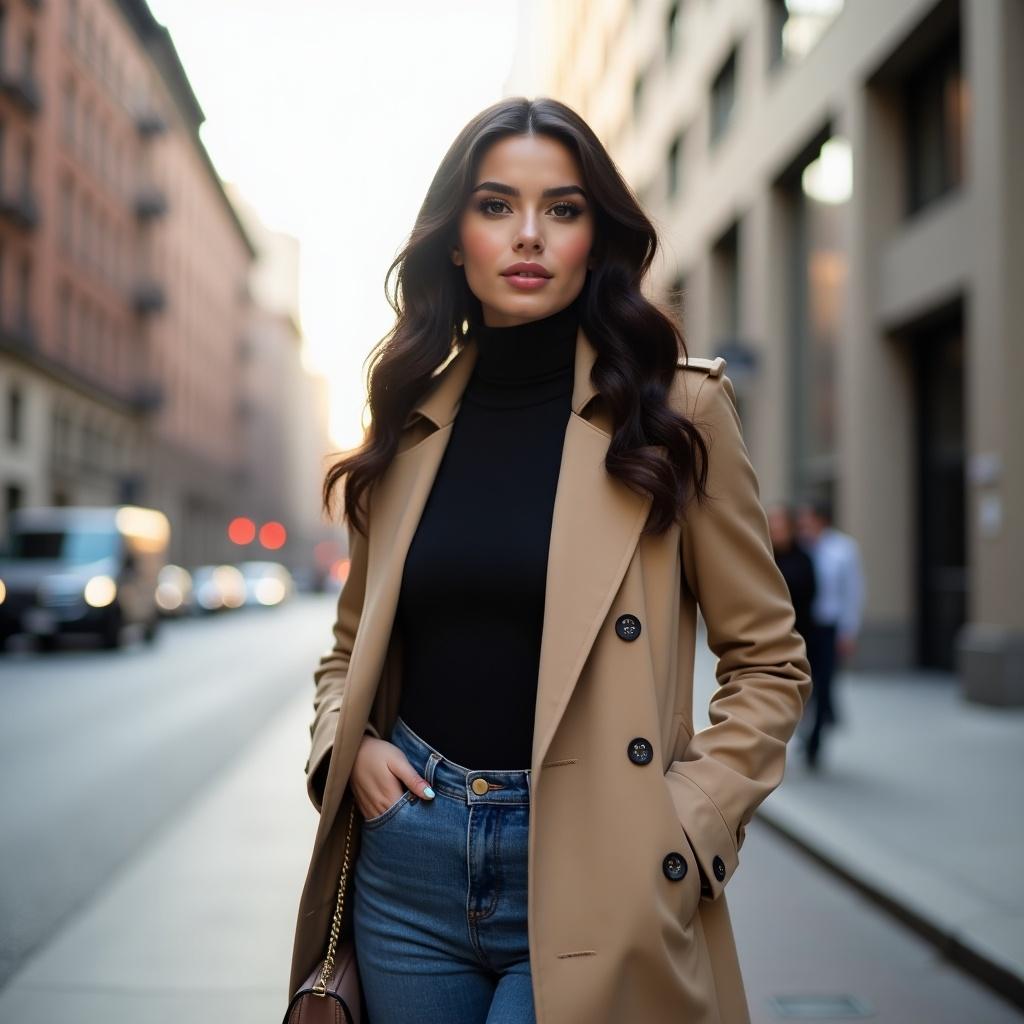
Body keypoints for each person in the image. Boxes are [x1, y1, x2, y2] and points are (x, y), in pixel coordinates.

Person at [290, 97, 812, 1024]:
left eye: (562, 210)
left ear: (594, 237)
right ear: (455, 238)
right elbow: (346, 650)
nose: (528, 235)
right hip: (407, 865)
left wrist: (686, 826)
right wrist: (349, 748)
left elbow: (769, 662)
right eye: (496, 206)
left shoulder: (675, 415)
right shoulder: (408, 422)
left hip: (599, 860)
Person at [795, 496, 865, 770]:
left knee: (824, 684)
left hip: (828, 627)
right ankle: (807, 727)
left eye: (807, 520)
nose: (803, 526)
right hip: (803, 627)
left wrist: (849, 630)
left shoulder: (843, 550)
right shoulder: (800, 549)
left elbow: (854, 593)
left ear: (821, 520)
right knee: (803, 684)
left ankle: (815, 739)